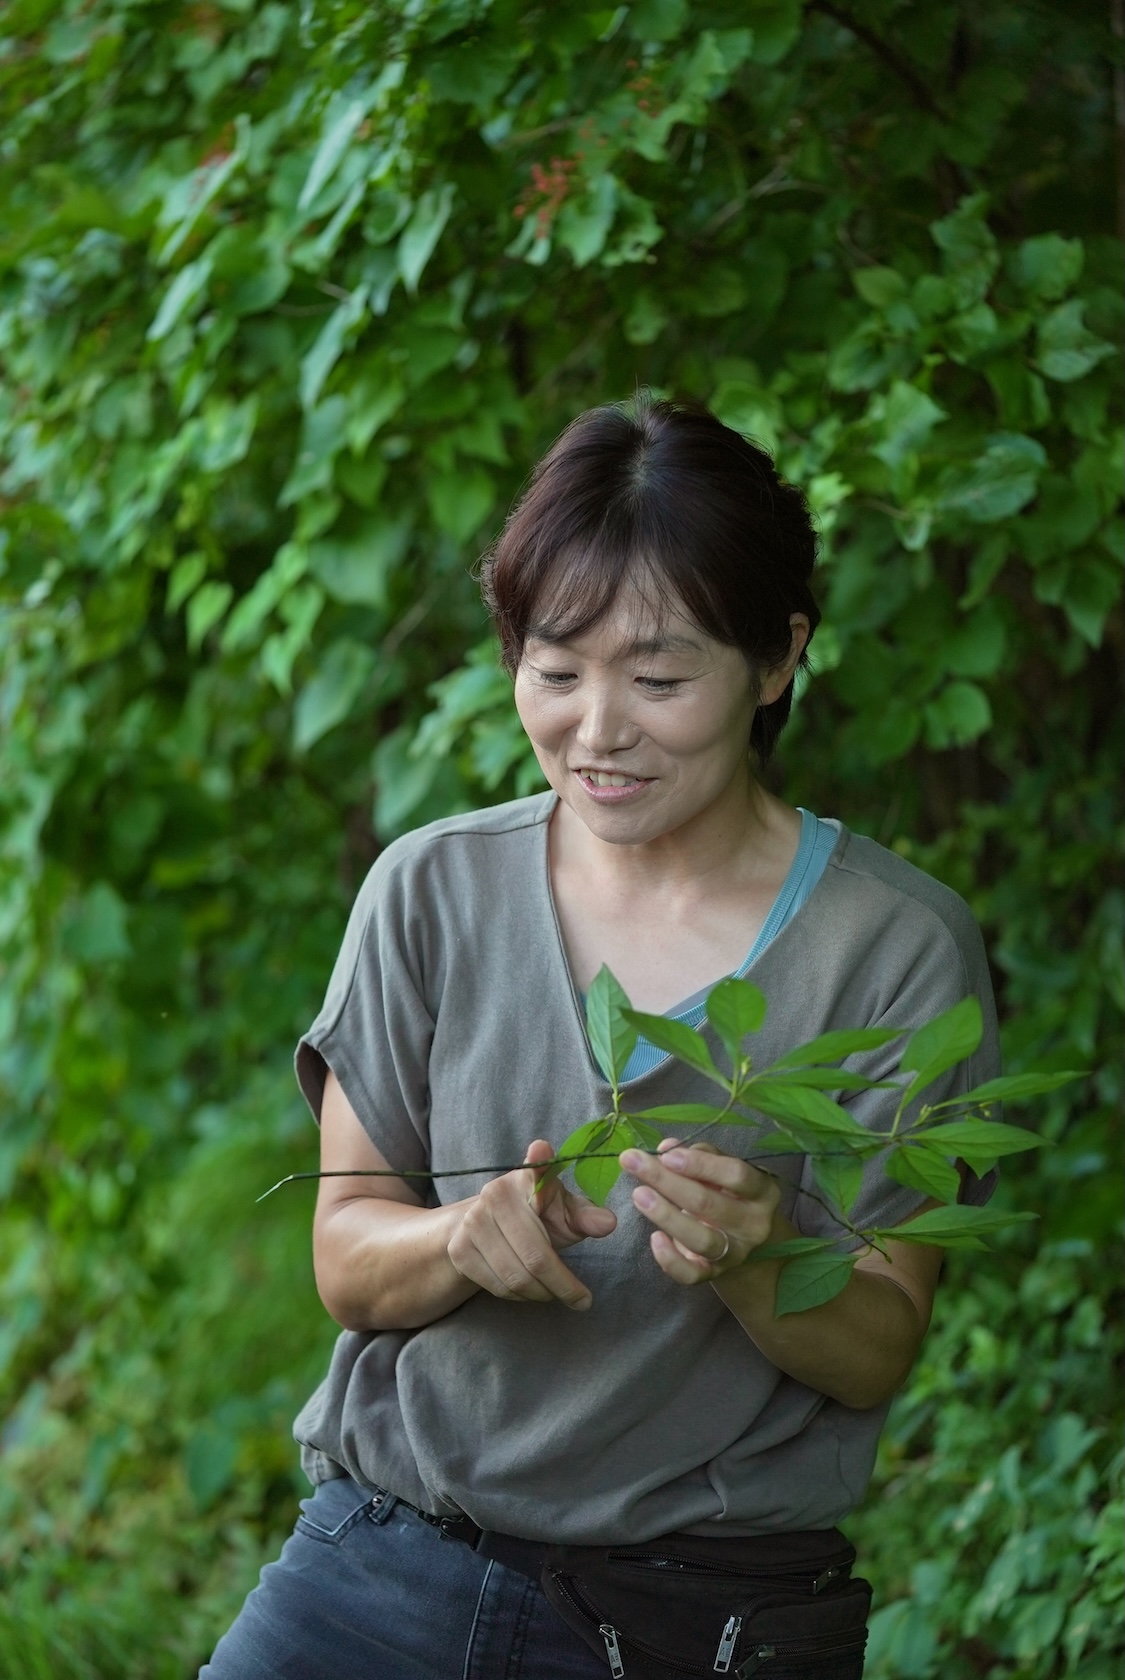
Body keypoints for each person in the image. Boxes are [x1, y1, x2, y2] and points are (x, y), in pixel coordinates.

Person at [201, 395, 1000, 1679]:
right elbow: (349, 1259)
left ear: (779, 659)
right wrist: (462, 1237)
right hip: (387, 1564)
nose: (598, 731)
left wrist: (758, 1257)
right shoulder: (431, 891)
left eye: (662, 677)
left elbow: (875, 1349)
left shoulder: (893, 949)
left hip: (705, 1613)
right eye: (557, 672)